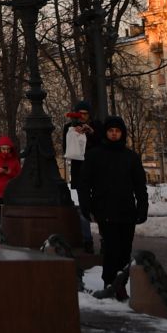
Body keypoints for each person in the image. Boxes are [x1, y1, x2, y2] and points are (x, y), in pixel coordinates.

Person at [79, 116, 148, 294]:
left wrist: (142, 207)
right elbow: (84, 182)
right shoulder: (95, 155)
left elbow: (140, 185)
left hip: (126, 210)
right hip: (104, 209)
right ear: (106, 133)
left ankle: (121, 284)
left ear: (122, 133)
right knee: (110, 249)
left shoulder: (131, 157)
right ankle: (109, 282)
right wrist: (86, 206)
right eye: (111, 131)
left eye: (117, 131)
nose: (114, 134)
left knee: (125, 249)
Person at [64, 104, 98, 253]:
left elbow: (101, 144)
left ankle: (103, 239)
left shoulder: (96, 126)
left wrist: (91, 133)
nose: (83, 116)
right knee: (84, 208)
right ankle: (87, 240)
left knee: (99, 206)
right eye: (80, 114)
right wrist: (75, 134)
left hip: (96, 172)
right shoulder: (69, 128)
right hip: (80, 172)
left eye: (86, 113)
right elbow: (67, 148)